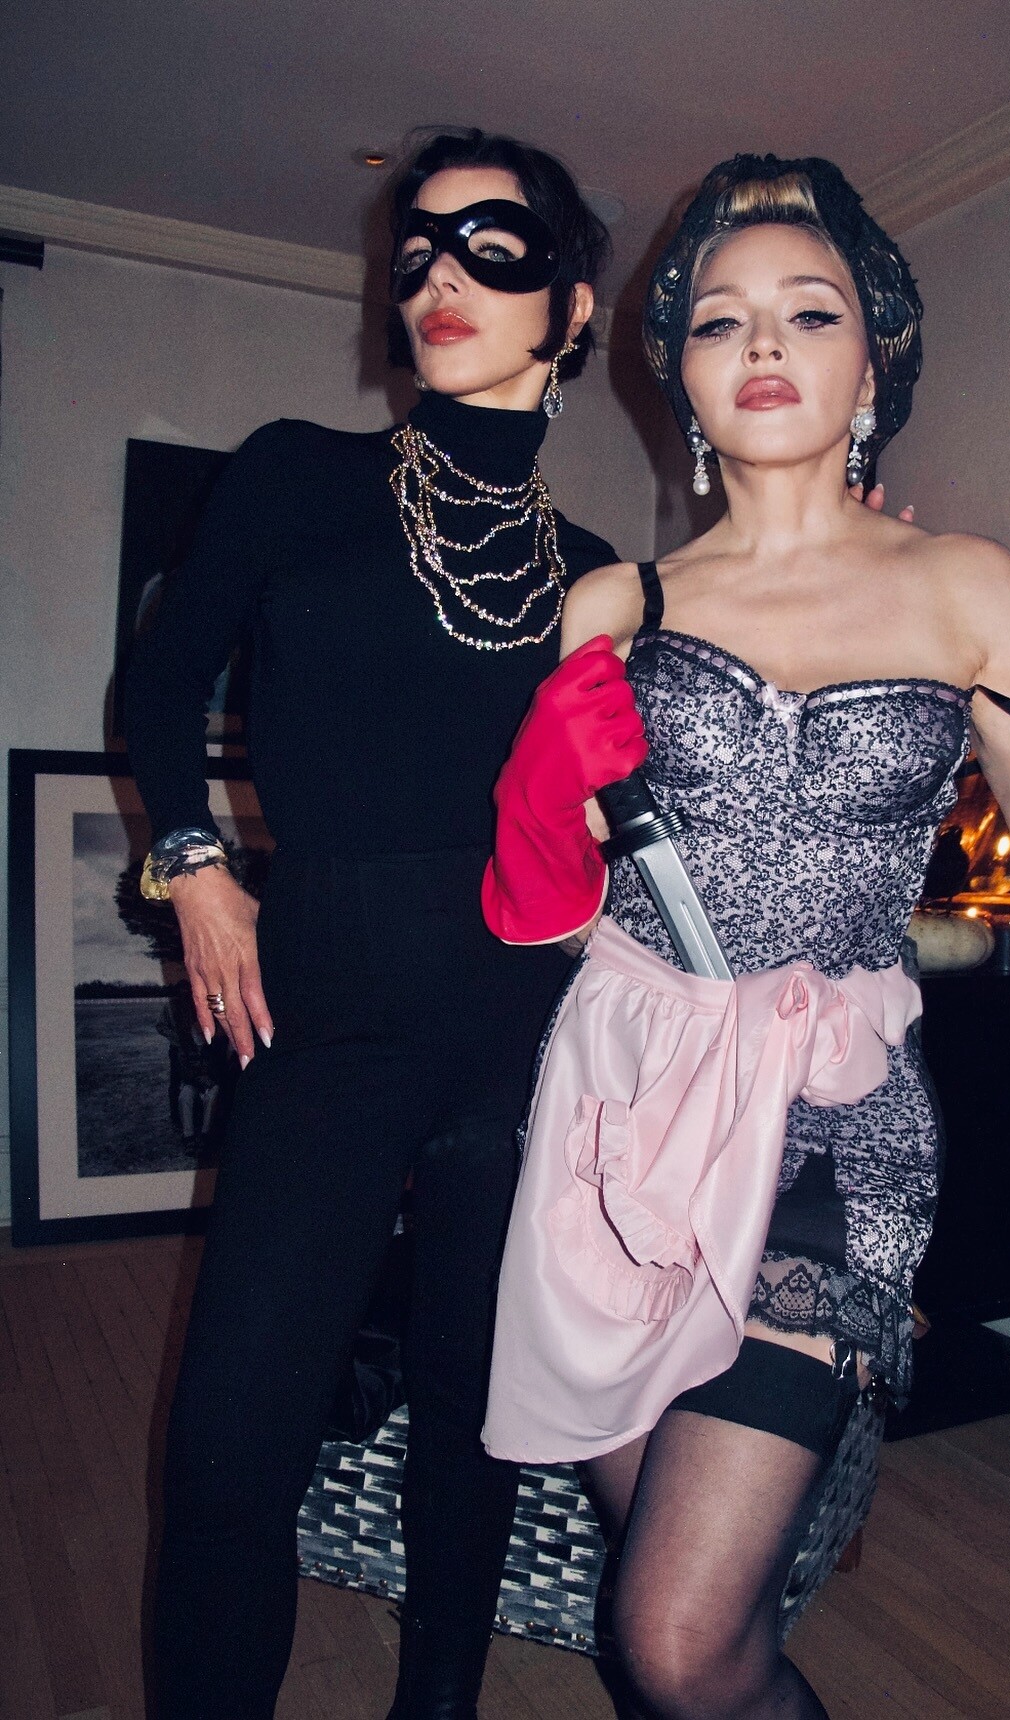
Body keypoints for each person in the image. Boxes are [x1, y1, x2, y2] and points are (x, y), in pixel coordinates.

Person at [478, 154, 1010, 1720]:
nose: (760, 343)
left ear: (871, 364)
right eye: (717, 319)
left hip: (827, 1123)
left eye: (809, 312)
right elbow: (543, 912)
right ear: (677, 377)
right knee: (696, 1636)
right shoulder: (611, 605)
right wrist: (535, 800)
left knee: (672, 1639)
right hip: (622, 1117)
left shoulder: (960, 584)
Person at [125, 127, 624, 1720]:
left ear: (572, 304)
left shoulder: (599, 575)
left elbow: (622, 811)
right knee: (229, 1446)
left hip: (523, 1028)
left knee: (477, 1427)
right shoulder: (295, 476)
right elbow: (159, 682)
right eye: (414, 250)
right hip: (325, 1010)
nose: (436, 278)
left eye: (491, 245)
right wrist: (196, 862)